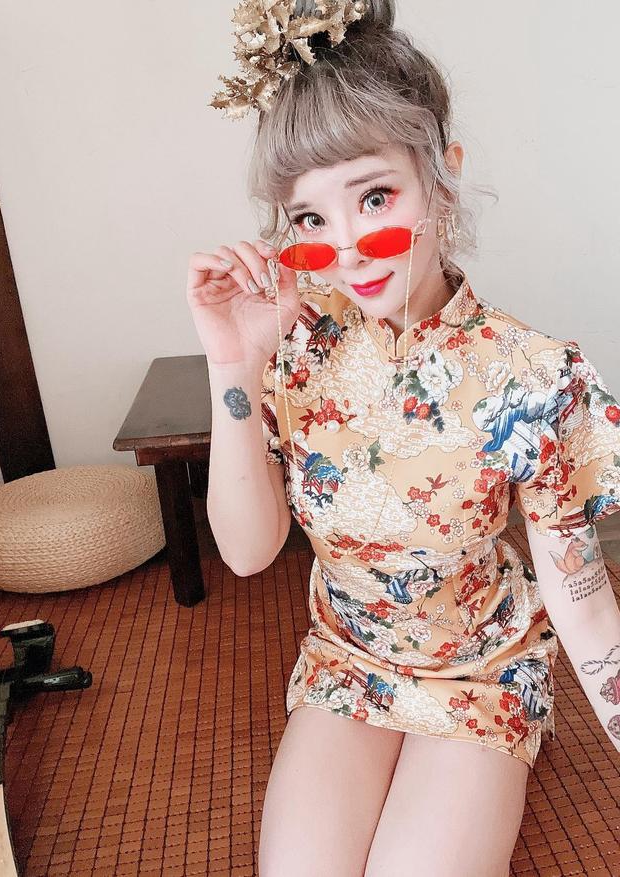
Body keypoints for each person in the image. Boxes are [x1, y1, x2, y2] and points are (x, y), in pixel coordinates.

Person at [187, 1, 620, 874]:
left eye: (375, 196)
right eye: (310, 219)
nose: (347, 248)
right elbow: (246, 553)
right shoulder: (296, 344)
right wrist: (233, 362)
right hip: (347, 660)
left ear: (442, 176)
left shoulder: (531, 376)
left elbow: (584, 604)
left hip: (483, 667)